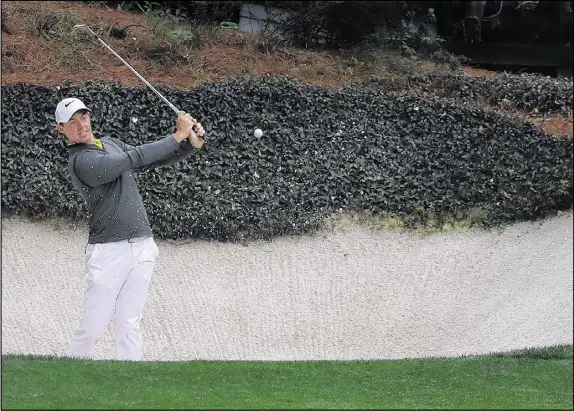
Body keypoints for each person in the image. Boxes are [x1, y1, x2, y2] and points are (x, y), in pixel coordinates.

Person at [55, 97, 204, 361]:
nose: (81, 126)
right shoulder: (81, 161)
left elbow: (147, 162)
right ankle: (70, 377)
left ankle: (130, 389)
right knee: (93, 327)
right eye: (72, 122)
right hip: (108, 251)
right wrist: (177, 135)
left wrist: (190, 145)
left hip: (143, 245)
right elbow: (131, 159)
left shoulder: (110, 143)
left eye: (84, 117)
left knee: (130, 323)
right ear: (61, 130)